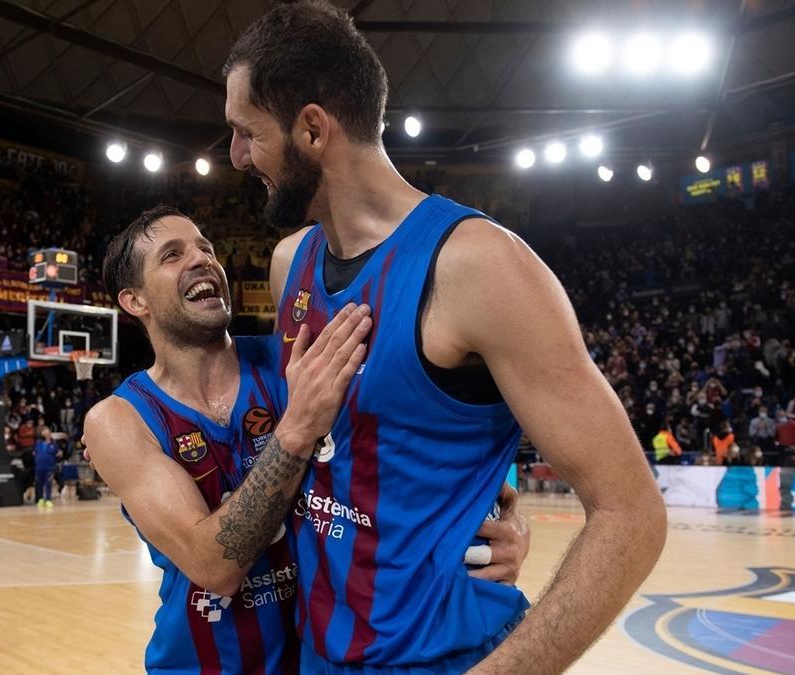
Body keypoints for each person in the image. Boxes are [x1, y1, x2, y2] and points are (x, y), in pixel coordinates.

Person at [226, 2, 665, 671]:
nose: (236, 157)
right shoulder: (290, 263)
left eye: (246, 132)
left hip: (445, 657)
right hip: (317, 654)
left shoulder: (481, 267)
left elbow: (632, 515)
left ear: (312, 130)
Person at [84, 207, 528, 673]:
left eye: (205, 248)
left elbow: (415, 448)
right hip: (198, 664)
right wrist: (297, 426)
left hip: (318, 657)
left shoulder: (297, 362)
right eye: (172, 255)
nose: (201, 260)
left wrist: (501, 521)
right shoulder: (120, 419)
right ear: (135, 301)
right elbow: (214, 567)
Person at [33, 425, 59, 508]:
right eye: (44, 431)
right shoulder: (38, 443)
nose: (45, 432)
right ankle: (40, 499)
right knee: (39, 483)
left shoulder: (53, 444)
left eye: (47, 430)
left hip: (49, 467)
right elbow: (34, 453)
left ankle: (48, 500)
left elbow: (58, 454)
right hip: (39, 467)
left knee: (48, 484)